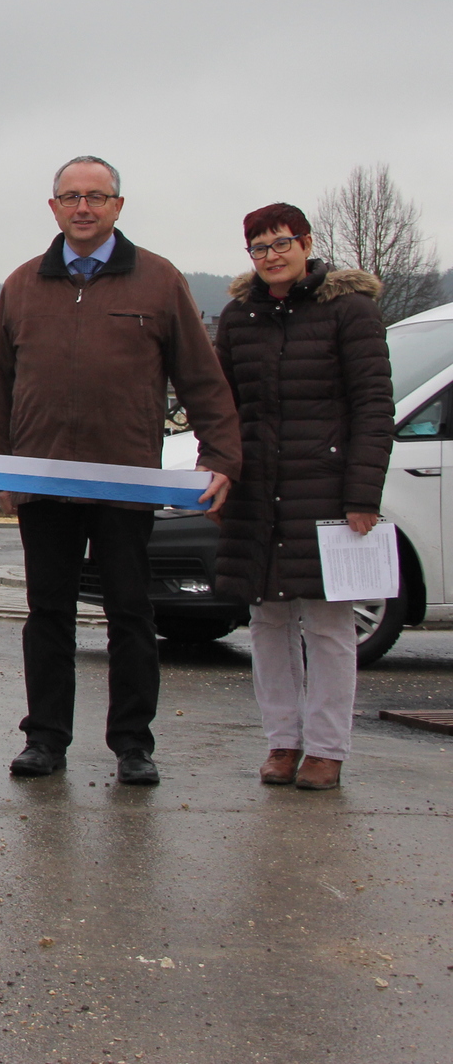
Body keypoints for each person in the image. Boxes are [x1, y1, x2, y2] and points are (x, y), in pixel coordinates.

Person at [0, 155, 239, 786]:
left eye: (96, 197)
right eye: (70, 196)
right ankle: (44, 739)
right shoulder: (21, 286)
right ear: (53, 207)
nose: (83, 207)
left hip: (126, 480)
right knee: (48, 613)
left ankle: (132, 744)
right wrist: (3, 469)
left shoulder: (159, 281)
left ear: (118, 206)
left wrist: (220, 456)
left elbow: (202, 379)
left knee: (130, 612)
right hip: (43, 480)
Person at [213, 203, 392, 791]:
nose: (271, 256)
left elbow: (374, 406)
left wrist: (362, 493)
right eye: (259, 247)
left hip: (328, 492)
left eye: (281, 243)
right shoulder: (238, 317)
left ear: (306, 243)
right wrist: (218, 473)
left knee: (328, 624)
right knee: (267, 622)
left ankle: (327, 749)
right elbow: (221, 406)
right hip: (257, 493)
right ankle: (282, 741)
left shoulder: (351, 310)